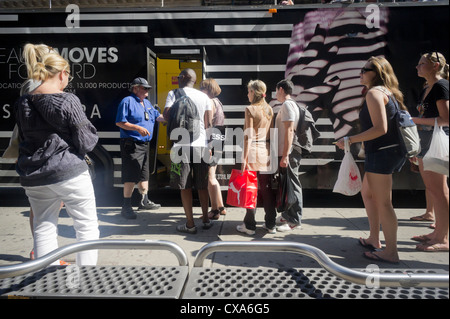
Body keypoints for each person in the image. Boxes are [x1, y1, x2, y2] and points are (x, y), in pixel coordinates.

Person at [15, 43, 99, 266]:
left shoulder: (23, 101)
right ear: (62, 73)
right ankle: (87, 280)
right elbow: (87, 141)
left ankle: (45, 282)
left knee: (43, 225)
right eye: (68, 76)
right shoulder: (67, 100)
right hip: (68, 172)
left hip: (34, 175)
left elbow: (24, 136)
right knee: (86, 225)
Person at [336, 57, 407, 264]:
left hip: (382, 153)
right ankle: (374, 237)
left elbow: (380, 129)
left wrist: (349, 139)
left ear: (375, 73)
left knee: (384, 203)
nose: (360, 73)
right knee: (368, 193)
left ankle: (391, 251)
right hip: (387, 152)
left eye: (364, 70)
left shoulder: (374, 93)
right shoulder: (389, 92)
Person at [163, 68, 213, 234]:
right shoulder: (204, 97)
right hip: (201, 145)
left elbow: (166, 116)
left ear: (184, 77)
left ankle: (190, 224)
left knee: (184, 186)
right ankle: (206, 219)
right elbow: (208, 123)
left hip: (181, 146)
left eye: (178, 76)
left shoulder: (173, 93)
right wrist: (209, 146)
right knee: (202, 185)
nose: (177, 78)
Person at [410, 52, 449, 252]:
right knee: (434, 190)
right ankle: (437, 233)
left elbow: (446, 119)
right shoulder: (427, 87)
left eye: (421, 63)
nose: (417, 67)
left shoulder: (441, 86)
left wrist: (414, 121)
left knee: (440, 191)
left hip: (436, 143)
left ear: (435, 66)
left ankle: (444, 238)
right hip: (426, 142)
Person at [116, 77, 164, 219]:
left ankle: (144, 200)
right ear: (135, 88)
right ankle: (126, 206)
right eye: (145, 89)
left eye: (148, 89)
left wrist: (171, 116)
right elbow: (120, 122)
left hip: (144, 144)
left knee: (144, 173)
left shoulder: (147, 103)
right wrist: (137, 128)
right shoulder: (127, 101)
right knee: (131, 175)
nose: (147, 92)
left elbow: (158, 117)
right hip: (132, 144)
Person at [237, 80, 276, 235]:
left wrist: (243, 160)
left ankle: (250, 225)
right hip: (265, 150)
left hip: (253, 151)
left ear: (254, 92)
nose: (247, 94)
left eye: (249, 91)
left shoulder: (250, 109)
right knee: (267, 189)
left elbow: (248, 137)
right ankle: (270, 223)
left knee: (251, 190)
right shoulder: (269, 109)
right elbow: (272, 134)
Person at [274, 79, 302, 232]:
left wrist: (285, 155)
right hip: (287, 151)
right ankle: (287, 214)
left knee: (292, 184)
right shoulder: (291, 105)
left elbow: (290, 130)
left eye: (276, 90)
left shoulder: (287, 105)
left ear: (281, 90)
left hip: (289, 152)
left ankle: (294, 219)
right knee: (287, 184)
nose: (276, 93)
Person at [199, 78, 227, 220]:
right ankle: (221, 207)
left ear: (207, 89)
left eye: (202, 88)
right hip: (219, 139)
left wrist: (208, 144)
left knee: (210, 177)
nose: (200, 90)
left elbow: (208, 124)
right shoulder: (218, 101)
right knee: (213, 174)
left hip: (212, 140)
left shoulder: (209, 102)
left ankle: (214, 210)